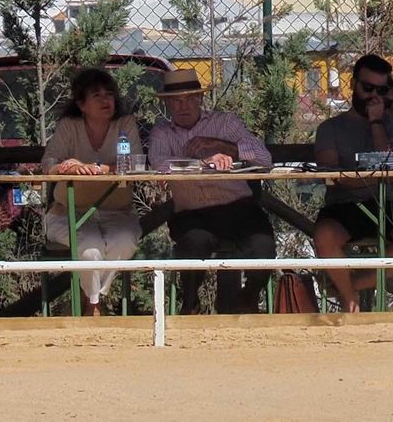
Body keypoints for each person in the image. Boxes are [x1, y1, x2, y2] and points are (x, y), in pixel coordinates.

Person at [312, 54, 393, 312]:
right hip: (344, 205)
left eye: (381, 90)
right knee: (324, 235)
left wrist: (375, 122)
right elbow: (332, 176)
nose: (373, 96)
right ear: (353, 84)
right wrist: (372, 180)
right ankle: (350, 301)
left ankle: (353, 286)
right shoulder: (329, 128)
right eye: (367, 88)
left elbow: (391, 163)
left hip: (390, 203)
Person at [146, 69, 276, 314]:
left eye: (190, 99)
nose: (183, 106)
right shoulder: (163, 132)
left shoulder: (224, 122)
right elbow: (160, 163)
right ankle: (190, 302)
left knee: (264, 245)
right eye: (176, 100)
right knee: (194, 243)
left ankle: (248, 298)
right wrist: (203, 164)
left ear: (200, 99)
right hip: (192, 212)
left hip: (237, 206)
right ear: (167, 104)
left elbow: (264, 158)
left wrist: (221, 146)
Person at [39, 67, 142, 316]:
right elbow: (48, 163)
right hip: (69, 213)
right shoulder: (69, 126)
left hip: (117, 212)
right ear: (81, 104)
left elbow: (137, 165)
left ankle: (92, 300)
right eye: (97, 96)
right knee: (91, 250)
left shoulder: (125, 124)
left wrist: (98, 168)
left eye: (110, 94)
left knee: (124, 242)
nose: (106, 100)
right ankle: (95, 307)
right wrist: (67, 167)